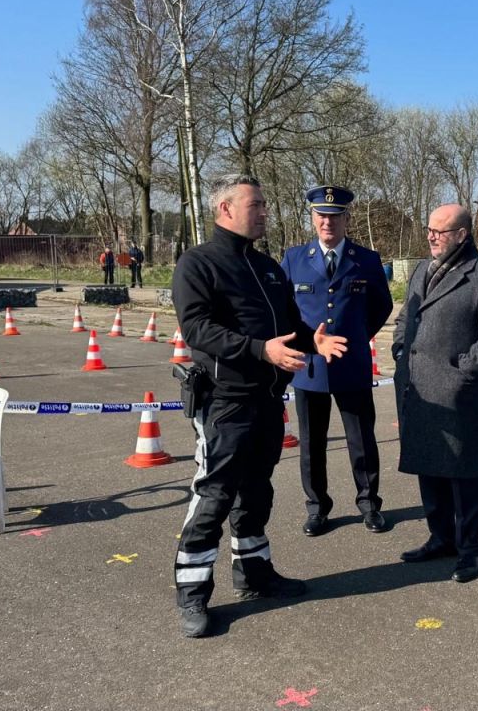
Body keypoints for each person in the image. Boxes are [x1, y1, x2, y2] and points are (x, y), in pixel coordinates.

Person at [171, 173, 348, 638]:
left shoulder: (268, 266)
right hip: (225, 402)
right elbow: (198, 331)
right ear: (226, 209)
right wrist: (259, 351)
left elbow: (290, 324)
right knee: (214, 497)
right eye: (257, 204)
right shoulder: (198, 263)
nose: (266, 211)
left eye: (266, 204)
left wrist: (316, 340)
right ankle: (192, 593)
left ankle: (254, 573)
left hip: (268, 401)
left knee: (258, 493)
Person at [392, 204, 478, 583]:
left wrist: (464, 369)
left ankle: (469, 549)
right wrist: (401, 351)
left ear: (462, 235)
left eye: (440, 231)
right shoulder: (420, 270)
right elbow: (404, 318)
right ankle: (440, 537)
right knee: (429, 467)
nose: (431, 236)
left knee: (465, 476)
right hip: (418, 390)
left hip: (458, 393)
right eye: (429, 229)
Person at [281, 185, 393, 537]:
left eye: (334, 216)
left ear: (346, 218)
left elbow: (382, 307)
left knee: (361, 440)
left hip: (351, 364)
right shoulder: (294, 259)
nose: (327, 222)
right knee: (311, 444)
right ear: (313, 218)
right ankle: (317, 507)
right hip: (310, 367)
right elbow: (284, 310)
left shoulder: (367, 260)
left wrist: (357, 337)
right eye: (321, 216)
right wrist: (305, 343)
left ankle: (369, 504)